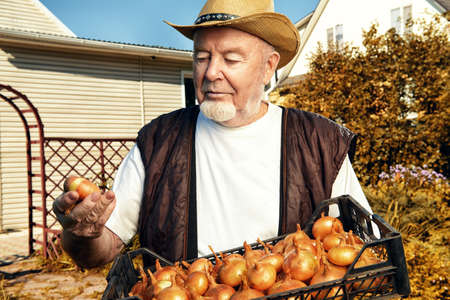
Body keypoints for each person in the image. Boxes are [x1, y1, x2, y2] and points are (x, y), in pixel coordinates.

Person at [53, 0, 373, 269]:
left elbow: (364, 245)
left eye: (231, 59)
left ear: (268, 67)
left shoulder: (319, 142)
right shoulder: (158, 142)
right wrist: (83, 234)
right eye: (201, 57)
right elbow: (102, 250)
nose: (209, 73)